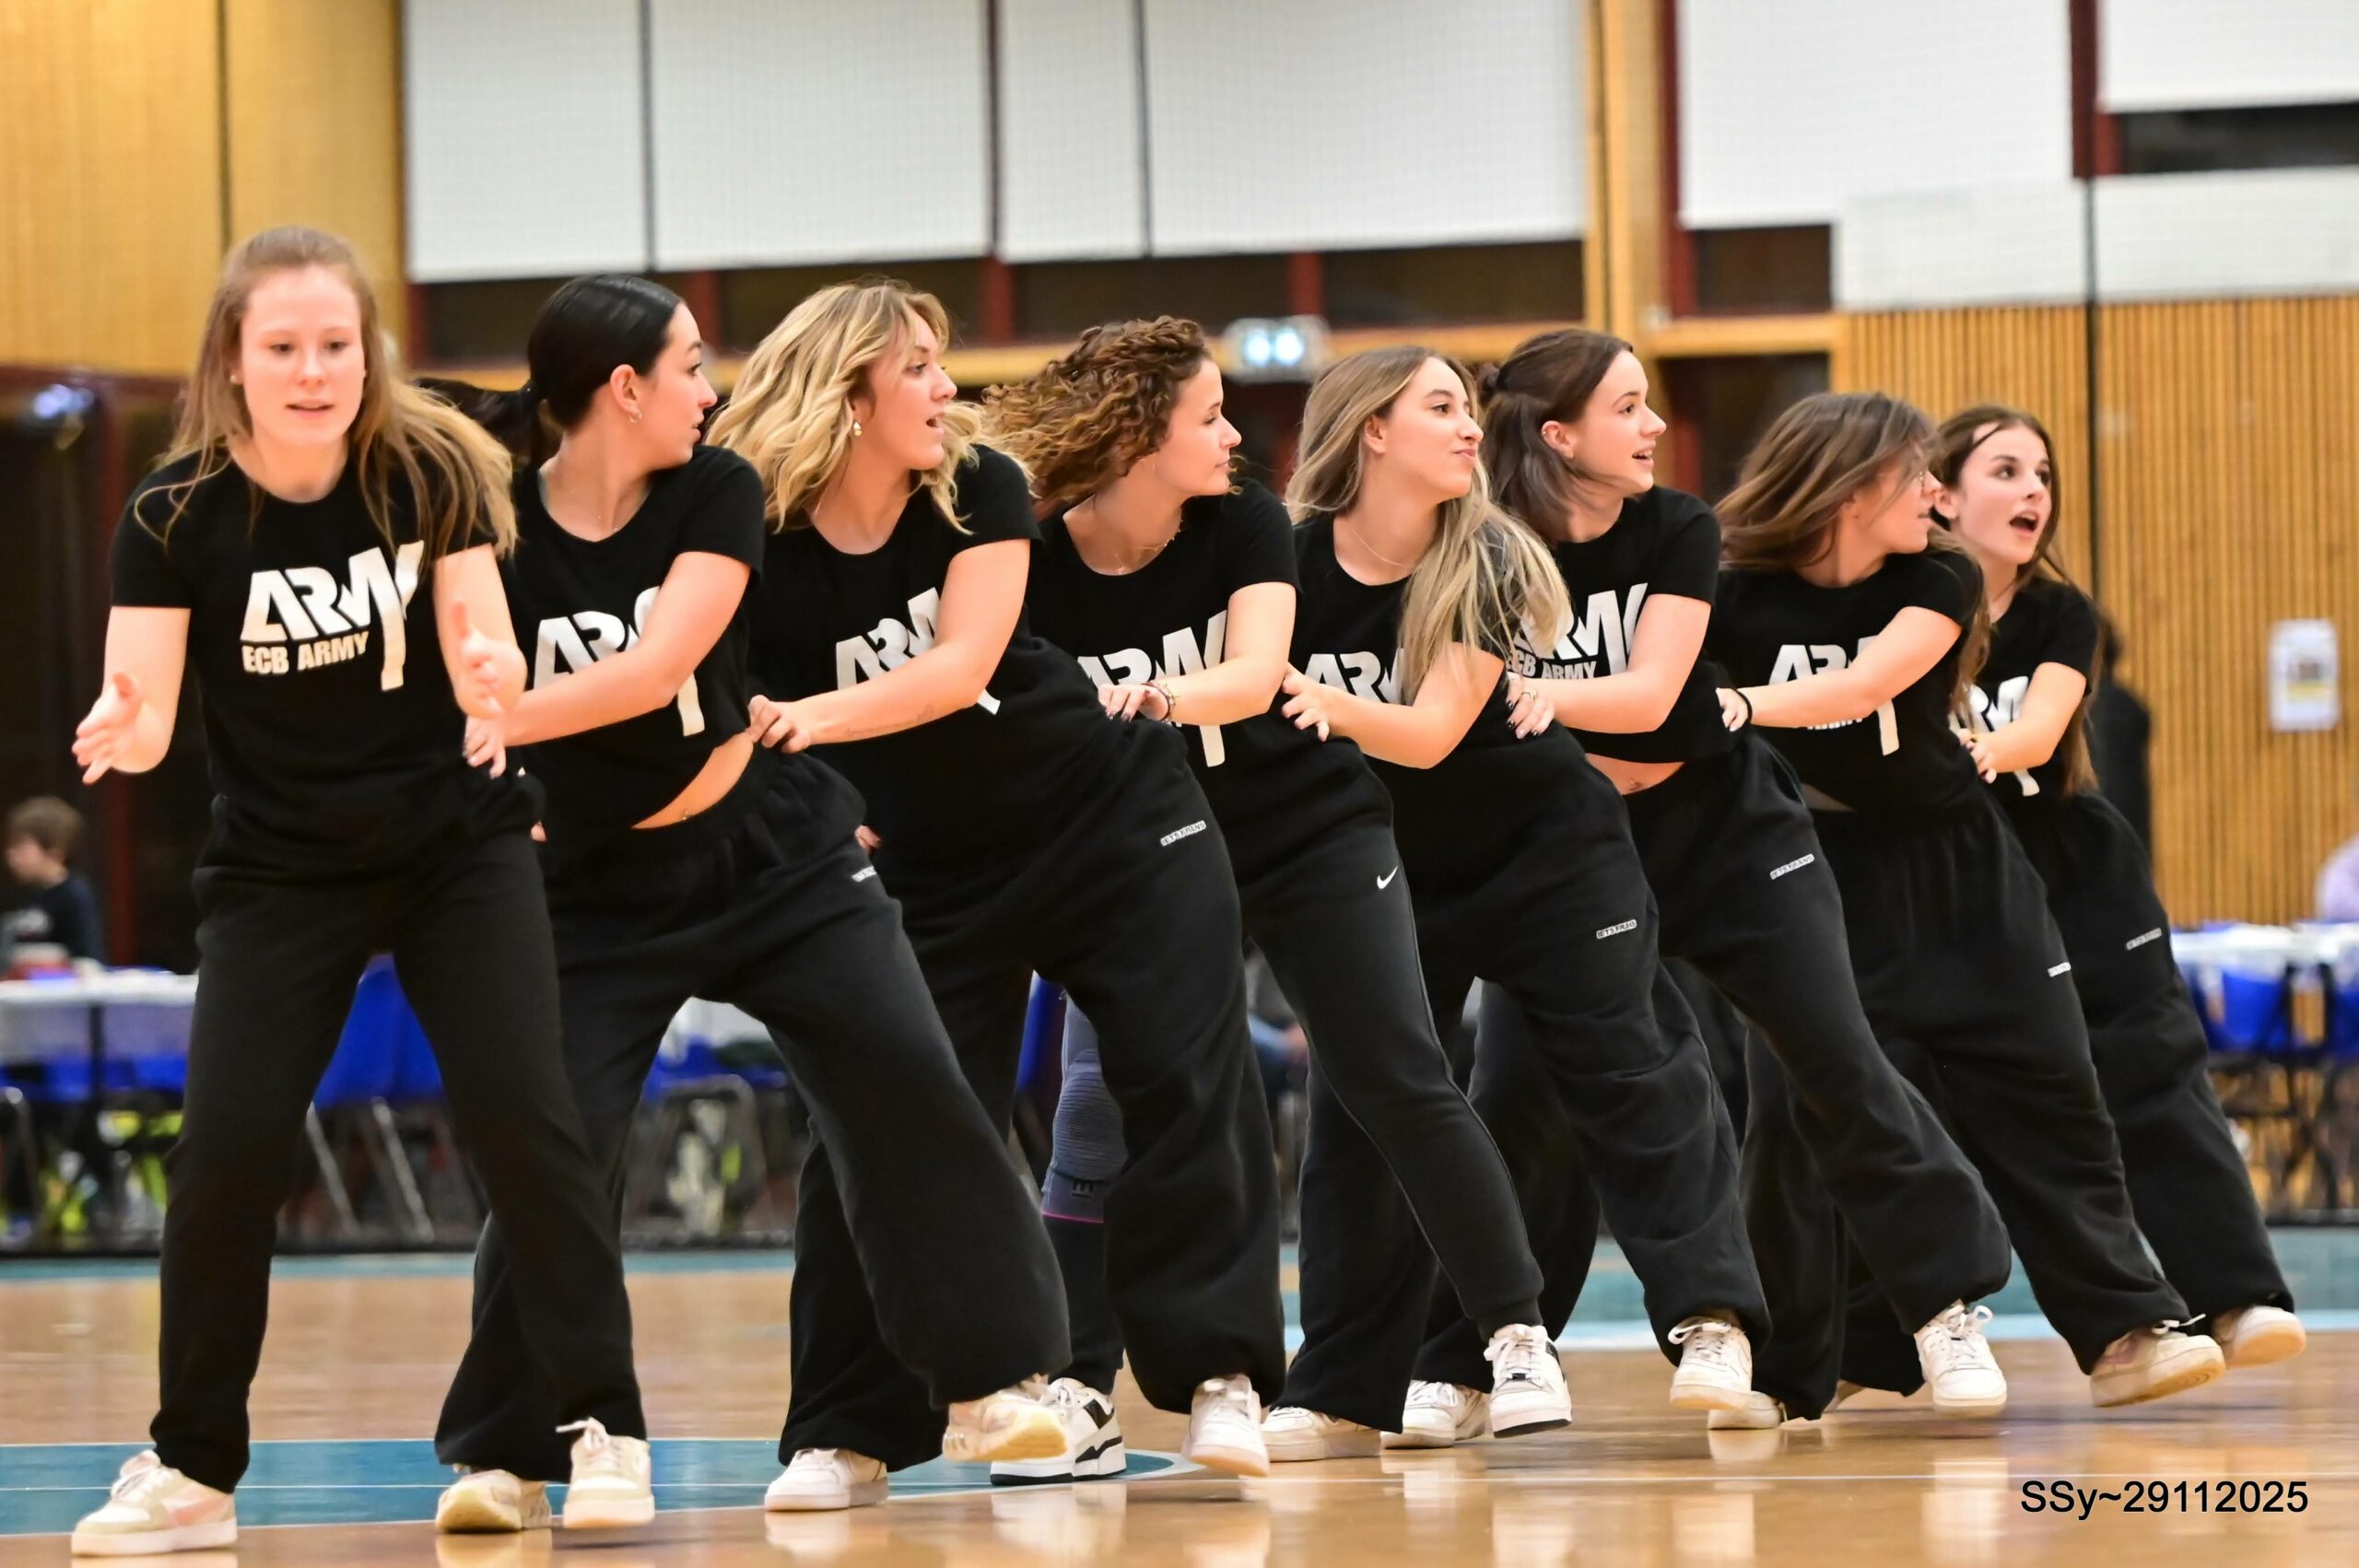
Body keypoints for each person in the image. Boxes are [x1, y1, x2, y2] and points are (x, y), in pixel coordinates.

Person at [426, 275, 1070, 1531]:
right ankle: (510, 1446)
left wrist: (495, 723)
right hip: (593, 889)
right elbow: (461, 667)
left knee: (906, 1073)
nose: (709, 389)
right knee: (557, 1151)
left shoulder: (715, 489)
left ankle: (991, 1380)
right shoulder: (491, 522)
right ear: (624, 389)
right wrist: (474, 743)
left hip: (769, 854)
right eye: (688, 366)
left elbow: (660, 665)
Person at [65, 227, 652, 1557]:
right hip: (280, 872)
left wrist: (495, 675)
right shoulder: (172, 516)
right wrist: (123, 725)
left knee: (529, 1125)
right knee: (224, 1155)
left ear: (369, 352)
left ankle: (602, 1428)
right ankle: (193, 1468)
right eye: (283, 346)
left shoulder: (430, 469)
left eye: (337, 344)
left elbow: (484, 644)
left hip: (456, 850)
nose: (314, 370)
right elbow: (144, 714)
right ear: (233, 358)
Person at [716, 280, 1286, 1501]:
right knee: (880, 1121)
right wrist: (812, 795)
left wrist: (806, 723)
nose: (946, 387)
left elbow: (959, 664)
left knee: (1186, 1077)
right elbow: (730, 708)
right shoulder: (748, 534)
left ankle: (1221, 1375)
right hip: (930, 866)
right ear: (847, 393)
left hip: (1108, 818)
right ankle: (847, 1429)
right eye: (918, 367)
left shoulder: (979, 486)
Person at [1410, 331, 2012, 1434]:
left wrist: (1516, 696)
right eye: (1627, 407)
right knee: (1520, 1097)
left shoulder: (1677, 528)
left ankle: (1943, 1310)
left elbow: (1650, 702)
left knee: (1830, 1058)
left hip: (1729, 836)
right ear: (1558, 436)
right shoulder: (1479, 552)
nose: (1653, 426)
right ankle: (1478, 1353)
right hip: (1572, 851)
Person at [989, 318, 1564, 1471]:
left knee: (1396, 1070)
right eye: (1208, 418)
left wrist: (1154, 699)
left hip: (1306, 833)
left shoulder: (1247, 524)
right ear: (1134, 435)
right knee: (1095, 1112)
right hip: (1140, 853)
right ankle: (1081, 1386)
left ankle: (1514, 1339)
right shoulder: (1034, 557)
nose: (1234, 440)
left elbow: (1254, 677)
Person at [1278, 345, 1765, 1440]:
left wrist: (1310, 695)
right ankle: (1344, 1387)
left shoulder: (1490, 555)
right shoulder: (1288, 565)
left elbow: (1428, 732)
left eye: (1469, 407)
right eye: (1440, 407)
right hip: (1387, 863)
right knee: (1362, 1110)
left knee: (1629, 1072)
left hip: (1548, 853)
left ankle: (1713, 1321)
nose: (1470, 426)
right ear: (1370, 430)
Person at [1706, 390, 2223, 1413]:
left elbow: (1867, 682)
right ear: (1851, 486)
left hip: (1957, 862)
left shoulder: (1939, 576)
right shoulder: (1726, 594)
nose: (1935, 493)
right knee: (1796, 1118)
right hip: (1804, 867)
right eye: (1915, 474)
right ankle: (1792, 1370)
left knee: (2050, 1080)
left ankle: (2124, 1327)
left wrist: (1741, 703)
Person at [1938, 402, 2301, 1372]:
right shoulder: (1898, 610)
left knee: (2152, 1063)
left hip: (2075, 865)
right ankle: (1887, 1337)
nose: (2034, 491)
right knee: (1956, 1095)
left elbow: (2037, 731)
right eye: (2006, 470)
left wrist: (1966, 751)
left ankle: (2236, 1296)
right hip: (1952, 882)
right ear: (1942, 495)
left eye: (2043, 474)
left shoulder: (2062, 614)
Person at [5, 797, 103, 962]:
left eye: (20, 846)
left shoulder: (74, 894)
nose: (12, 855)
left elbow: (86, 957)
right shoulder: (23, 893)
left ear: (53, 849)